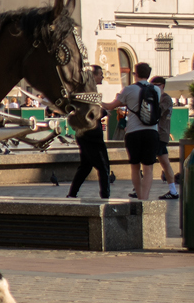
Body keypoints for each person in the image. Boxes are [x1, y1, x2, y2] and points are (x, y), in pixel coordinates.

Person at [103, 62, 161, 200]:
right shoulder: (157, 90)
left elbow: (111, 106)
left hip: (133, 132)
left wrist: (98, 102)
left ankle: (139, 198)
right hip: (152, 132)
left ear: (135, 74)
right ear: (148, 74)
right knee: (148, 169)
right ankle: (145, 199)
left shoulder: (129, 89)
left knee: (135, 167)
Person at [67, 65, 113, 199]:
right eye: (100, 74)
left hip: (83, 133)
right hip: (92, 134)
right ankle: (105, 196)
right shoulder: (88, 91)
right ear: (93, 76)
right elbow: (90, 112)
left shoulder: (83, 89)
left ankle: (72, 194)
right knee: (103, 166)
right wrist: (104, 112)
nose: (102, 77)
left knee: (86, 167)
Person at [149, 75, 180, 200]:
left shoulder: (165, 98)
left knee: (149, 161)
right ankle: (173, 191)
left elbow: (157, 113)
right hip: (158, 134)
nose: (153, 88)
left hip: (160, 134)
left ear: (162, 86)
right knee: (164, 163)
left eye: (155, 86)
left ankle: (141, 188)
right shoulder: (158, 97)